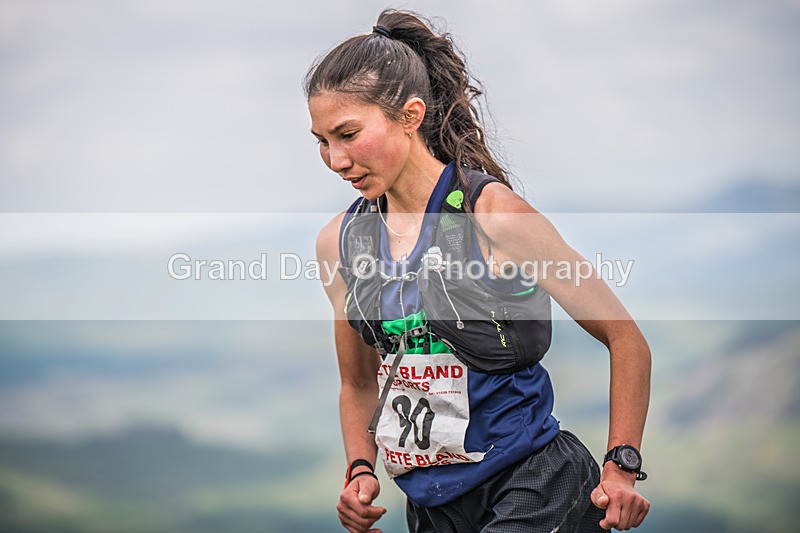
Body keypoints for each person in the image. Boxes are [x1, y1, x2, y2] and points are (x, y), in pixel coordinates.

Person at [307, 9, 651, 533]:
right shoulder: (339, 243)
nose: (335, 159)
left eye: (348, 134)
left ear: (411, 114)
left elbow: (626, 339)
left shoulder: (496, 216)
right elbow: (358, 382)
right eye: (322, 141)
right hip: (430, 504)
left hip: (534, 484)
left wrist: (621, 466)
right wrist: (360, 467)